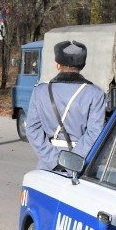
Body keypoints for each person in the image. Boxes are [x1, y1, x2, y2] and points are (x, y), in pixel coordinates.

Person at [26, 40, 107, 170]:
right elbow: (95, 133)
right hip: (81, 165)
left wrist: (52, 160)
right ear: (82, 65)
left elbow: (32, 129)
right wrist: (72, 161)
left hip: (48, 166)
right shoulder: (95, 94)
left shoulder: (40, 91)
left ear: (58, 65)